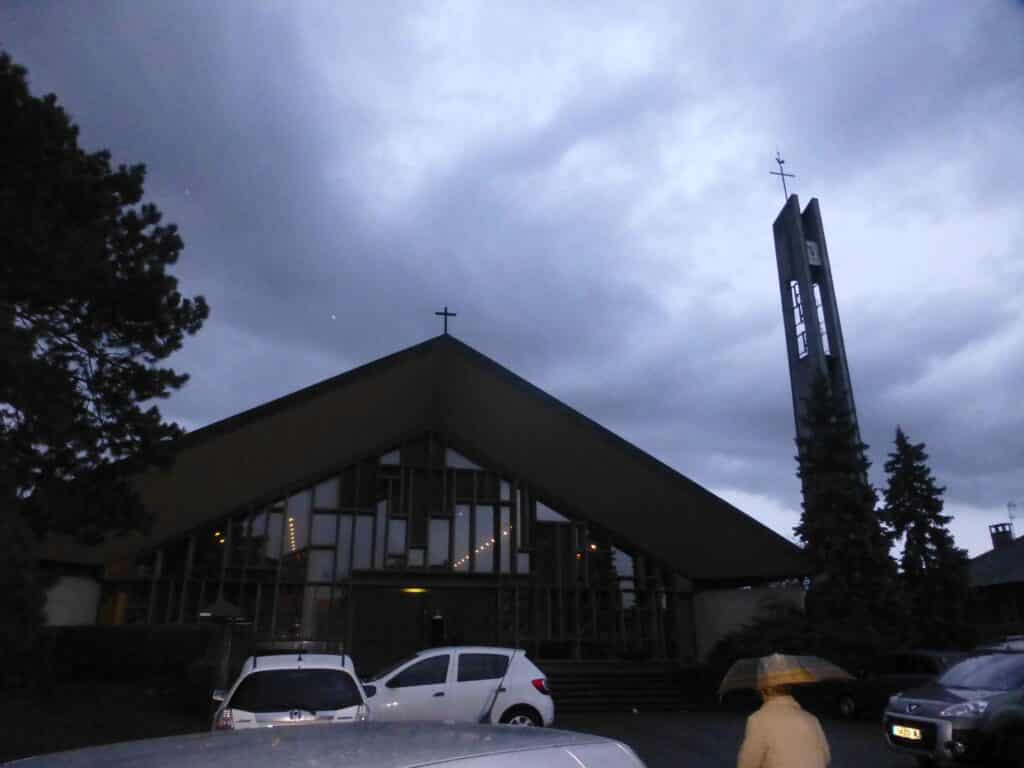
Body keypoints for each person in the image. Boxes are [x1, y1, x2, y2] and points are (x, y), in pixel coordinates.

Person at [737, 683, 831, 768]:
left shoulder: (758, 719)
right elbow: (826, 757)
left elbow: (747, 763)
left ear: (764, 690)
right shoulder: (811, 719)